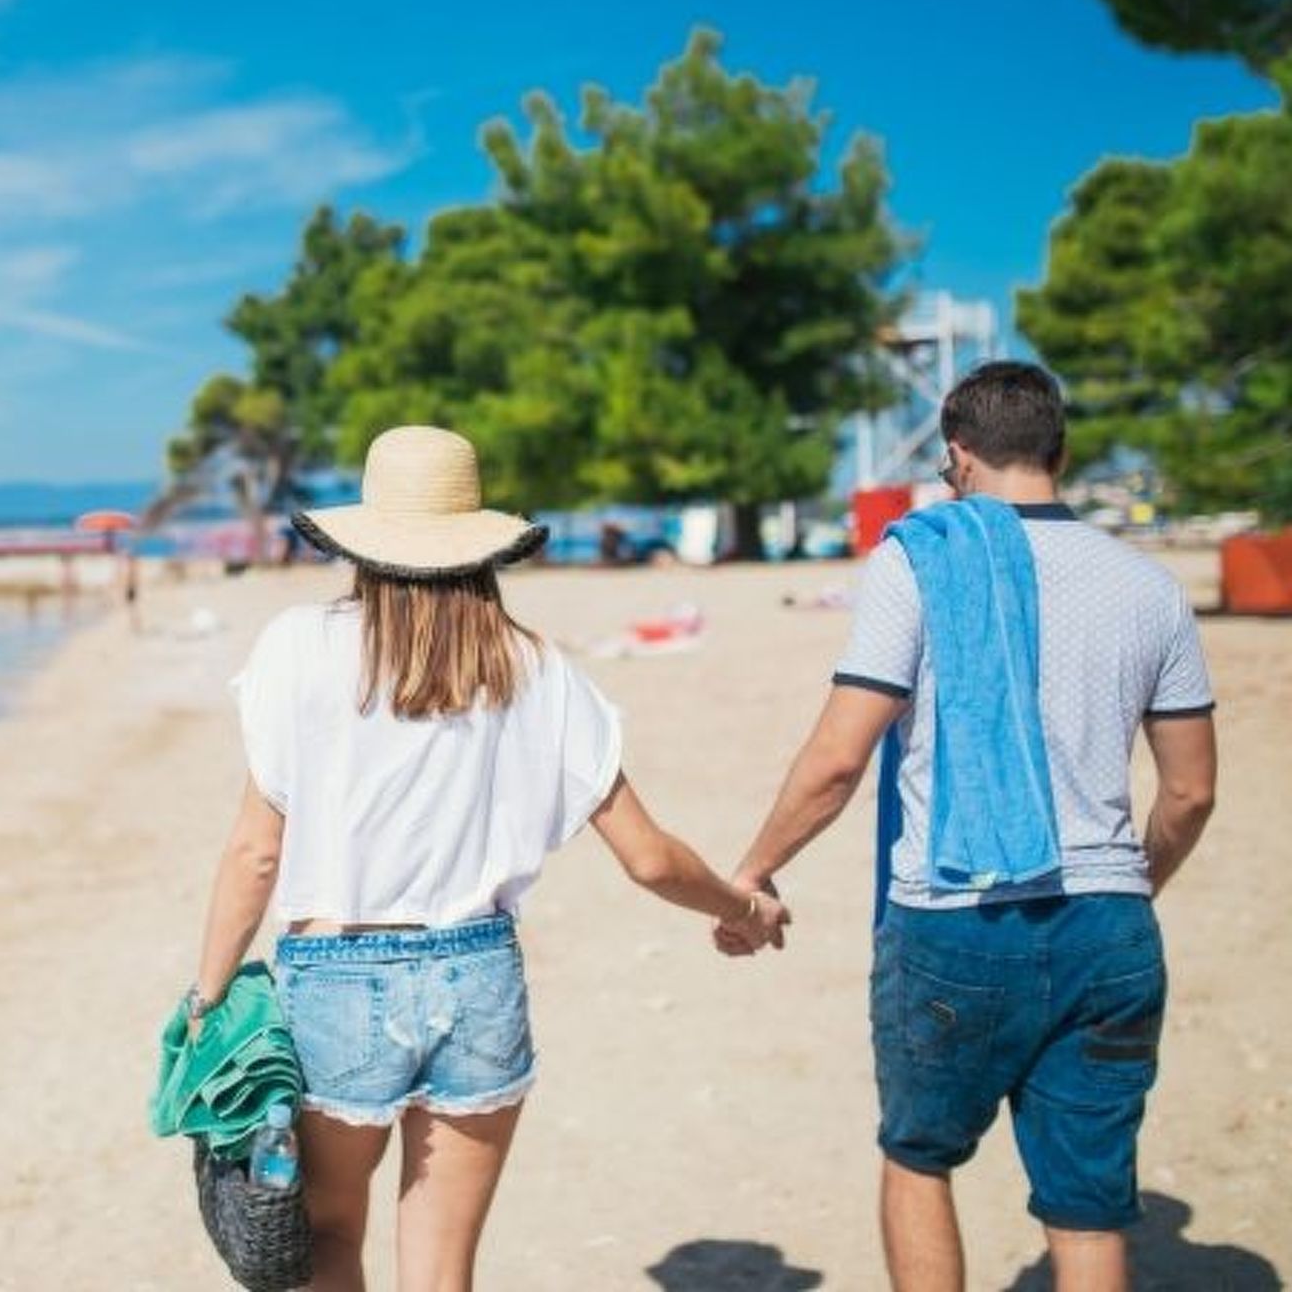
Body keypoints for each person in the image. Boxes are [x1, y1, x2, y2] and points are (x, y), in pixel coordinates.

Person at [186, 425, 788, 1292]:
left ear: (361, 540)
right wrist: (742, 907)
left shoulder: (297, 647)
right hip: (477, 978)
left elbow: (254, 853)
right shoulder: (535, 667)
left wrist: (208, 998)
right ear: (480, 547)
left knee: (325, 1239)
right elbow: (649, 858)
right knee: (441, 1270)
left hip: (335, 978)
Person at [719, 362, 1218, 1292]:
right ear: (1059, 452)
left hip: (958, 921)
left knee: (918, 1157)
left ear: (957, 457)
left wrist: (757, 868)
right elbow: (1189, 794)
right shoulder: (1151, 590)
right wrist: (1128, 889)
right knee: (1087, 1206)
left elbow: (839, 758)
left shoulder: (922, 556)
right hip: (1111, 925)